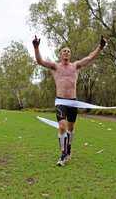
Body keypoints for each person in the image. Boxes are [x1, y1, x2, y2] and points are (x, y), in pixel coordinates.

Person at [33, 35, 107, 166]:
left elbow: (90, 57)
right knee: (62, 127)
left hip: (73, 102)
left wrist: (100, 47)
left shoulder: (76, 66)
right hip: (61, 102)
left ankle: (69, 148)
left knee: (71, 129)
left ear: (70, 55)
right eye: (64, 51)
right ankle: (62, 154)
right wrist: (36, 47)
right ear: (60, 55)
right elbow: (40, 61)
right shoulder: (55, 67)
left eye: (68, 51)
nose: (66, 53)